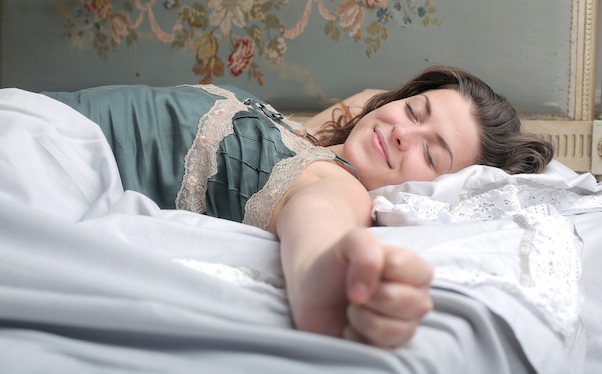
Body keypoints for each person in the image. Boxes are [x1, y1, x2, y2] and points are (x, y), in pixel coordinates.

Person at [43, 65, 554, 349]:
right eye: (414, 110)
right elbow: (363, 105)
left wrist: (325, 280)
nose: (402, 132)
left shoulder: (338, 185)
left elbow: (321, 226)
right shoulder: (301, 136)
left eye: (429, 151)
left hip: (52, 152)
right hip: (39, 110)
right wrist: (377, 106)